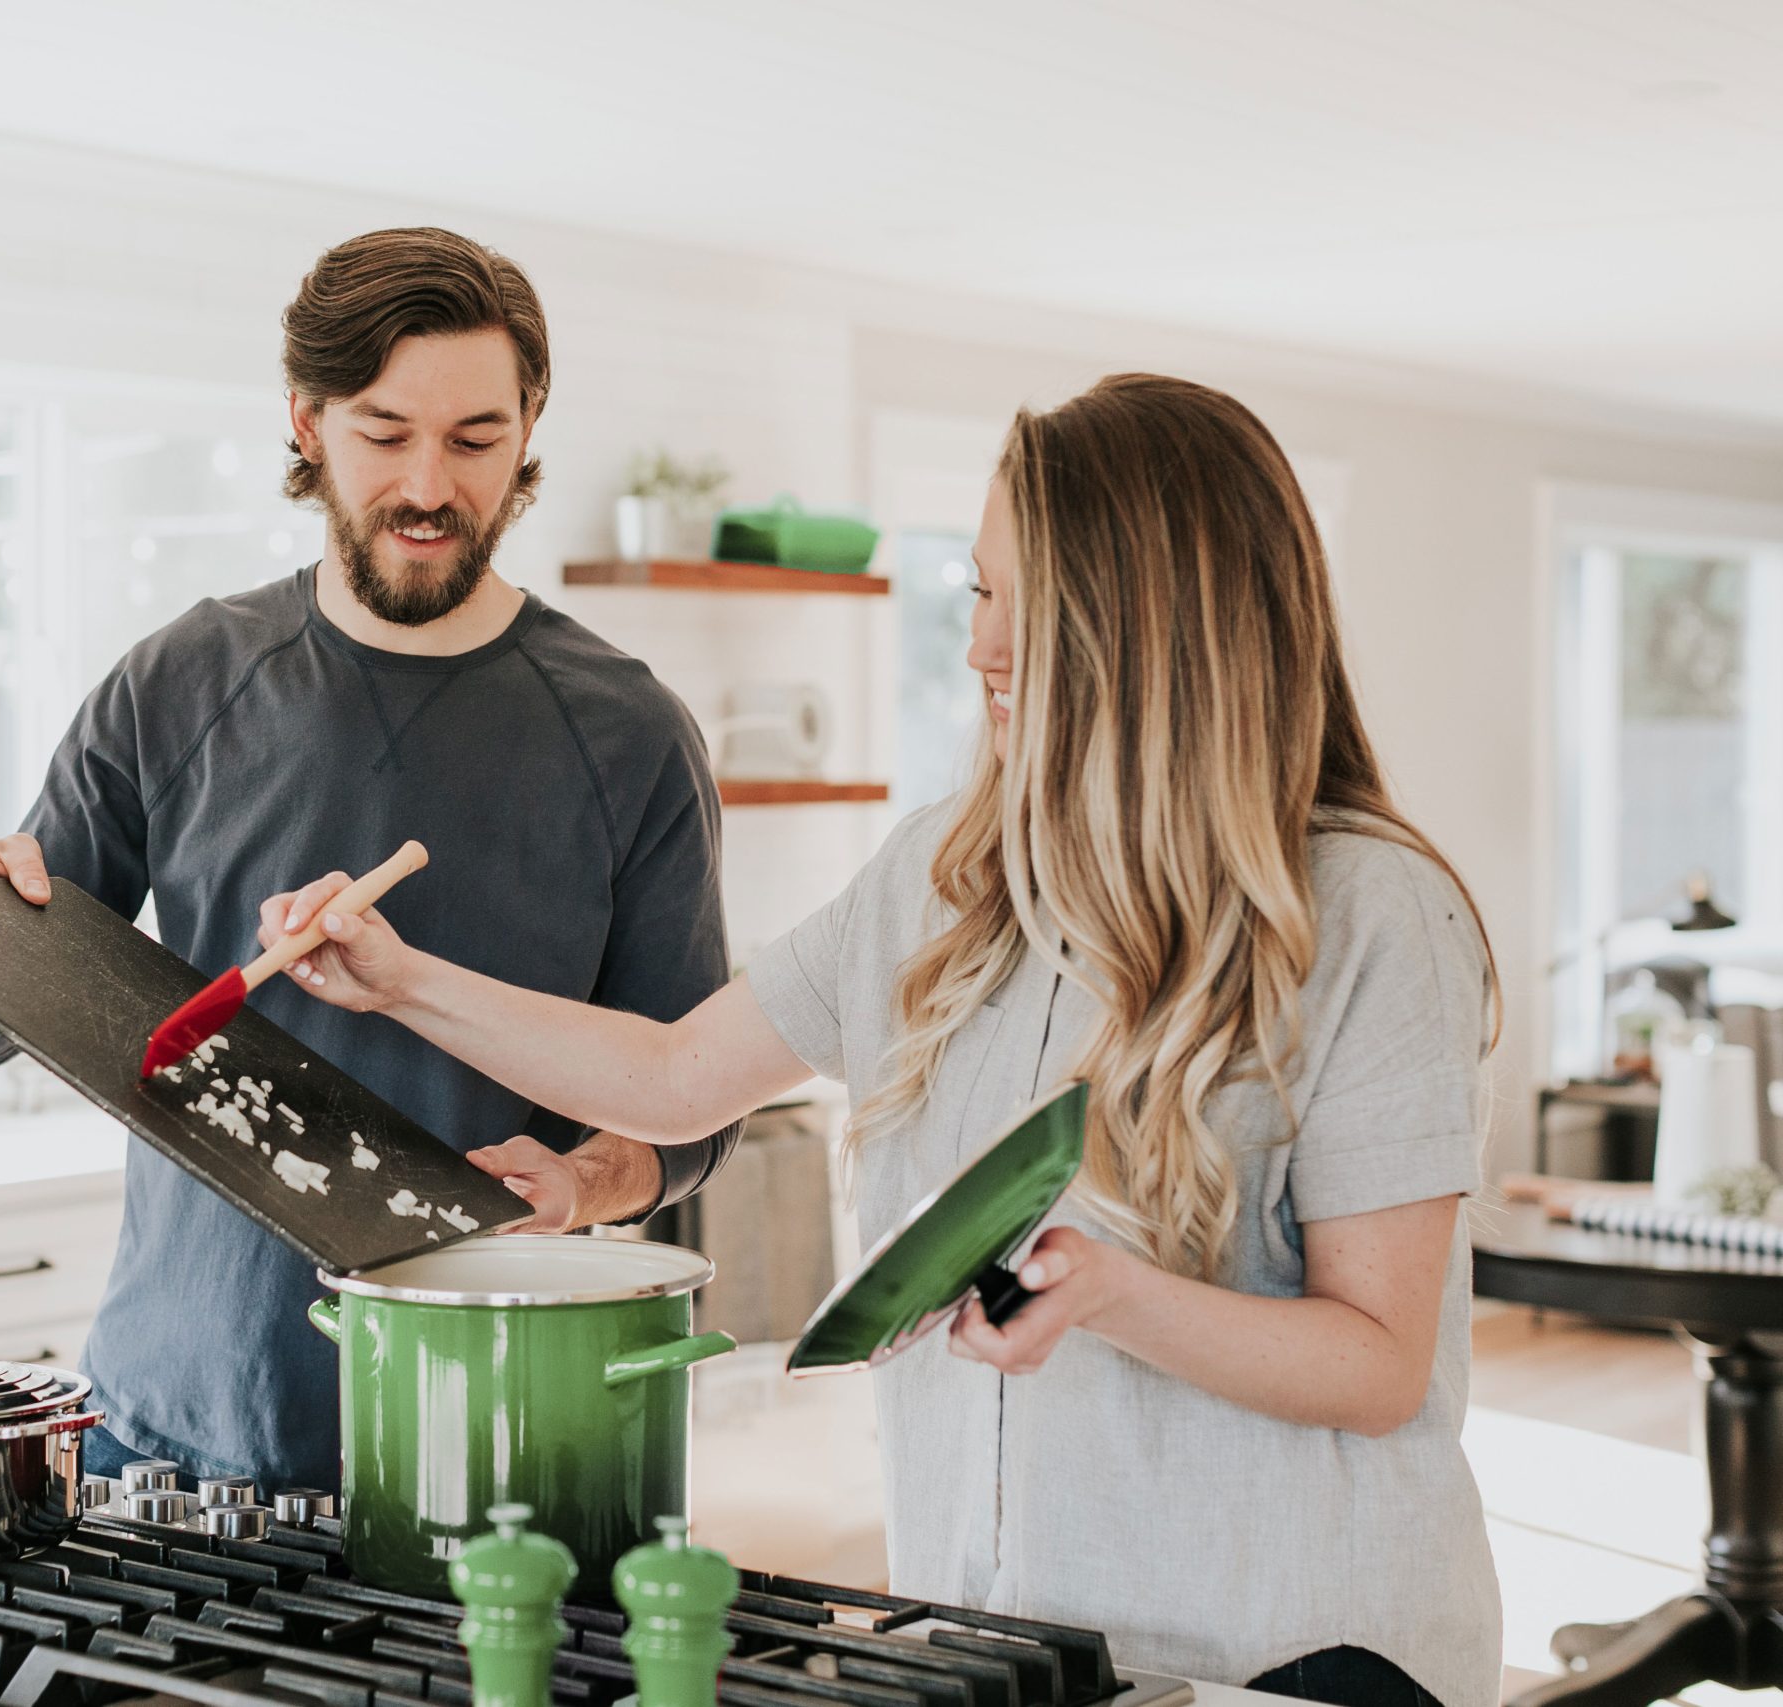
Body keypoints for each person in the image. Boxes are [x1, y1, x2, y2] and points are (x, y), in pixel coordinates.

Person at [261, 373, 1501, 1706]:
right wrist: (399, 980)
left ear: (1160, 627)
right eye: (978, 590)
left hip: (1295, 1657)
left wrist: (1115, 1291)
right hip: (1010, 1648)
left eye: (1034, 601)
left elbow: (1380, 1361)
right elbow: (679, 1074)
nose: (983, 646)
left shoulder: (1372, 912)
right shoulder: (941, 878)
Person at [0, 227, 742, 1495]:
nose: (428, 484)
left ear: (527, 430)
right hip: (168, 1431)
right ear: (305, 421)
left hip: (497, 1439)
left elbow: (693, 1108)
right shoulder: (177, 682)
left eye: (473, 439)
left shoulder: (628, 734)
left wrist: (586, 1180)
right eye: (383, 432)